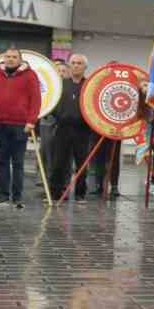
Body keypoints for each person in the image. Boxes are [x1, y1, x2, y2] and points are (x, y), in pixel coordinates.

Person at [0, 46, 42, 208]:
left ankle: (17, 196)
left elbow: (36, 100)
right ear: (4, 58)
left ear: (20, 59)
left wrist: (31, 121)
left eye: (14, 57)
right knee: (2, 161)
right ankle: (3, 195)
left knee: (18, 162)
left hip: (20, 125)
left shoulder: (30, 75)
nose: (10, 59)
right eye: (8, 56)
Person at [49, 53, 97, 202]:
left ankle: (80, 193)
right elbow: (53, 103)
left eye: (79, 63)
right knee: (58, 162)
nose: (76, 65)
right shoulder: (61, 84)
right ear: (69, 65)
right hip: (63, 128)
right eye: (74, 63)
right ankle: (56, 193)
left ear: (85, 67)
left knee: (82, 163)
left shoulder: (90, 85)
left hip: (82, 131)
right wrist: (60, 116)